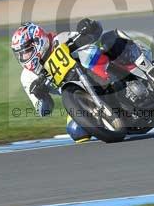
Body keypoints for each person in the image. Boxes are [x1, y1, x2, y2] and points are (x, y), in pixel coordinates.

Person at [10, 18, 139, 142]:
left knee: (108, 40)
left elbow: (93, 36)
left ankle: (139, 67)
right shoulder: (27, 77)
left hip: (93, 73)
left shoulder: (59, 40)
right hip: (79, 97)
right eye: (20, 54)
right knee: (77, 131)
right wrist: (40, 95)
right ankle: (119, 119)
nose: (23, 57)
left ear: (38, 42)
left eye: (26, 51)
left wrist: (89, 27)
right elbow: (44, 110)